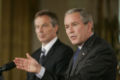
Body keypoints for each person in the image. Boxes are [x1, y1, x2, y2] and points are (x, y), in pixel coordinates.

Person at [14, 8, 117, 80]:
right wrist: (39, 70)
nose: (70, 31)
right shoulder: (80, 50)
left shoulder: (101, 50)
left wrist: (41, 70)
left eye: (74, 25)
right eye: (67, 27)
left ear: (89, 26)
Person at [21, 10, 73, 80]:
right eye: (37, 27)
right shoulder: (34, 55)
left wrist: (40, 71)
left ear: (55, 28)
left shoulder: (65, 52)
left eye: (44, 26)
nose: (40, 30)